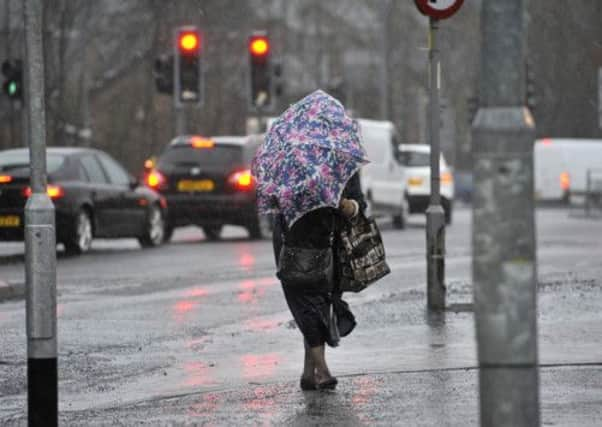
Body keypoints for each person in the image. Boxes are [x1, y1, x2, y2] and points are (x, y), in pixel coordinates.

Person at [272, 171, 366, 390]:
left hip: (331, 243)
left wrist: (348, 206)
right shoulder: (291, 161)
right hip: (293, 242)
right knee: (304, 302)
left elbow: (359, 203)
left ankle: (309, 372)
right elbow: (275, 201)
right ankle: (322, 370)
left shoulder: (342, 162)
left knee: (321, 304)